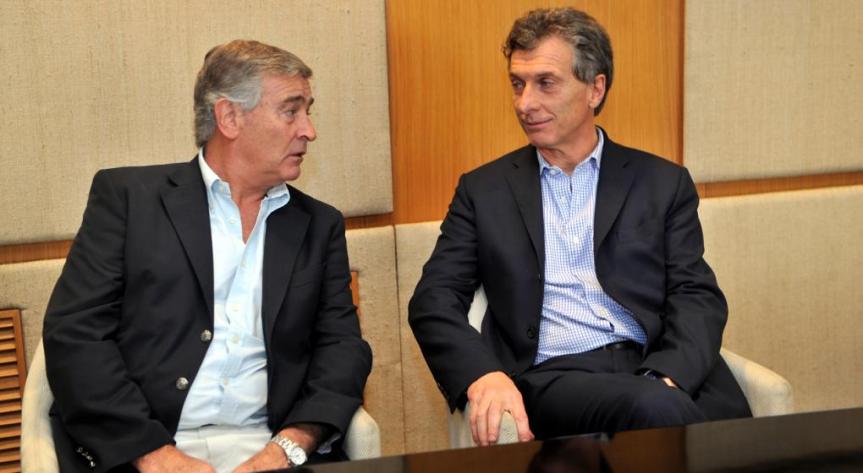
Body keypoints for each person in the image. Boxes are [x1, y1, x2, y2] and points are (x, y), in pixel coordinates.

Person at [409, 8, 751, 447]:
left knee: (723, 427)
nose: (524, 104)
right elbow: (433, 300)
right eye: (518, 84)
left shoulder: (661, 182)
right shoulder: (484, 191)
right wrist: (482, 375)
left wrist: (669, 375)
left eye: (545, 83)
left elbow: (696, 293)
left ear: (595, 88)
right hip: (558, 376)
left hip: (656, 366)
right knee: (669, 417)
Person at [43, 40, 372, 473]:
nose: (309, 130)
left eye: (308, 111)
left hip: (269, 446)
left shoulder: (318, 224)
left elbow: (342, 349)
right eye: (291, 111)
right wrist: (152, 454)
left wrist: (291, 445)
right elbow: (76, 335)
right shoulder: (129, 200)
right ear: (229, 117)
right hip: (146, 445)